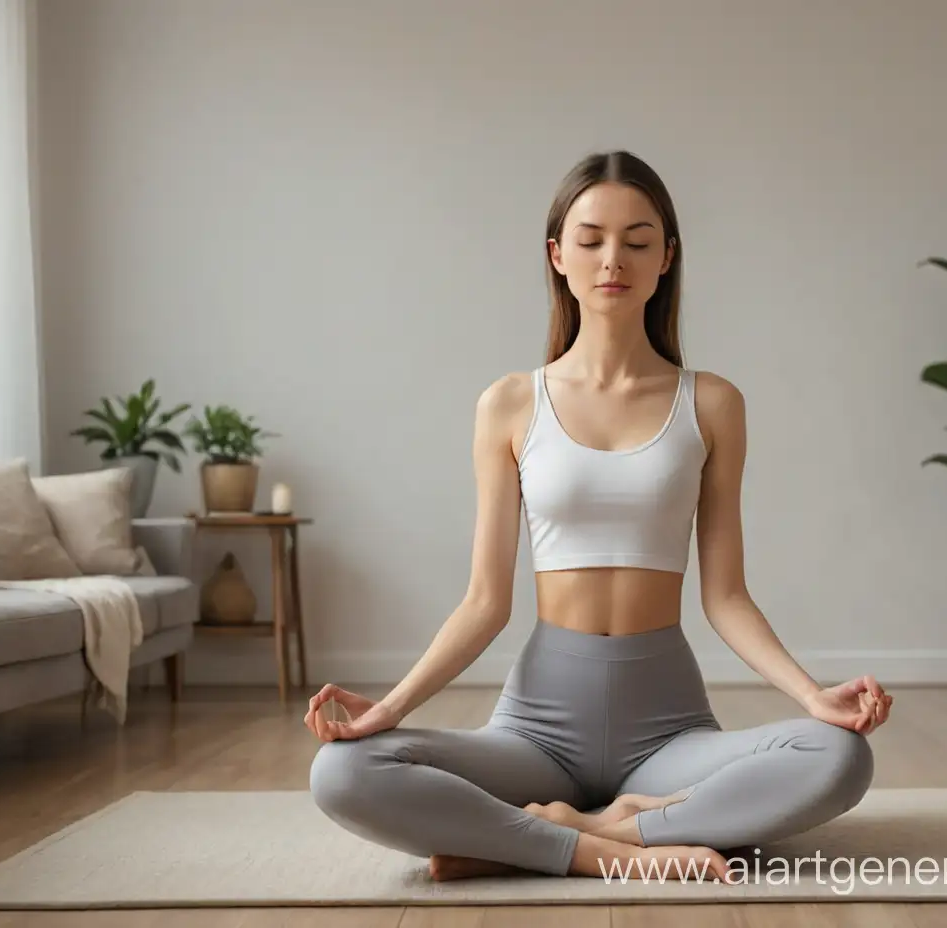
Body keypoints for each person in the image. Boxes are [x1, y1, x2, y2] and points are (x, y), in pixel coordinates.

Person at [306, 150, 892, 882]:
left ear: (666, 258)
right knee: (342, 772)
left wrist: (812, 695)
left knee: (838, 755)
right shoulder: (511, 404)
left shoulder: (711, 403)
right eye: (590, 240)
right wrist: (387, 709)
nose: (613, 258)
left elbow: (726, 596)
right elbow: (485, 602)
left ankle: (569, 830)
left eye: (639, 241)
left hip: (669, 730)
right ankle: (602, 852)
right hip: (535, 732)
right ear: (557, 255)